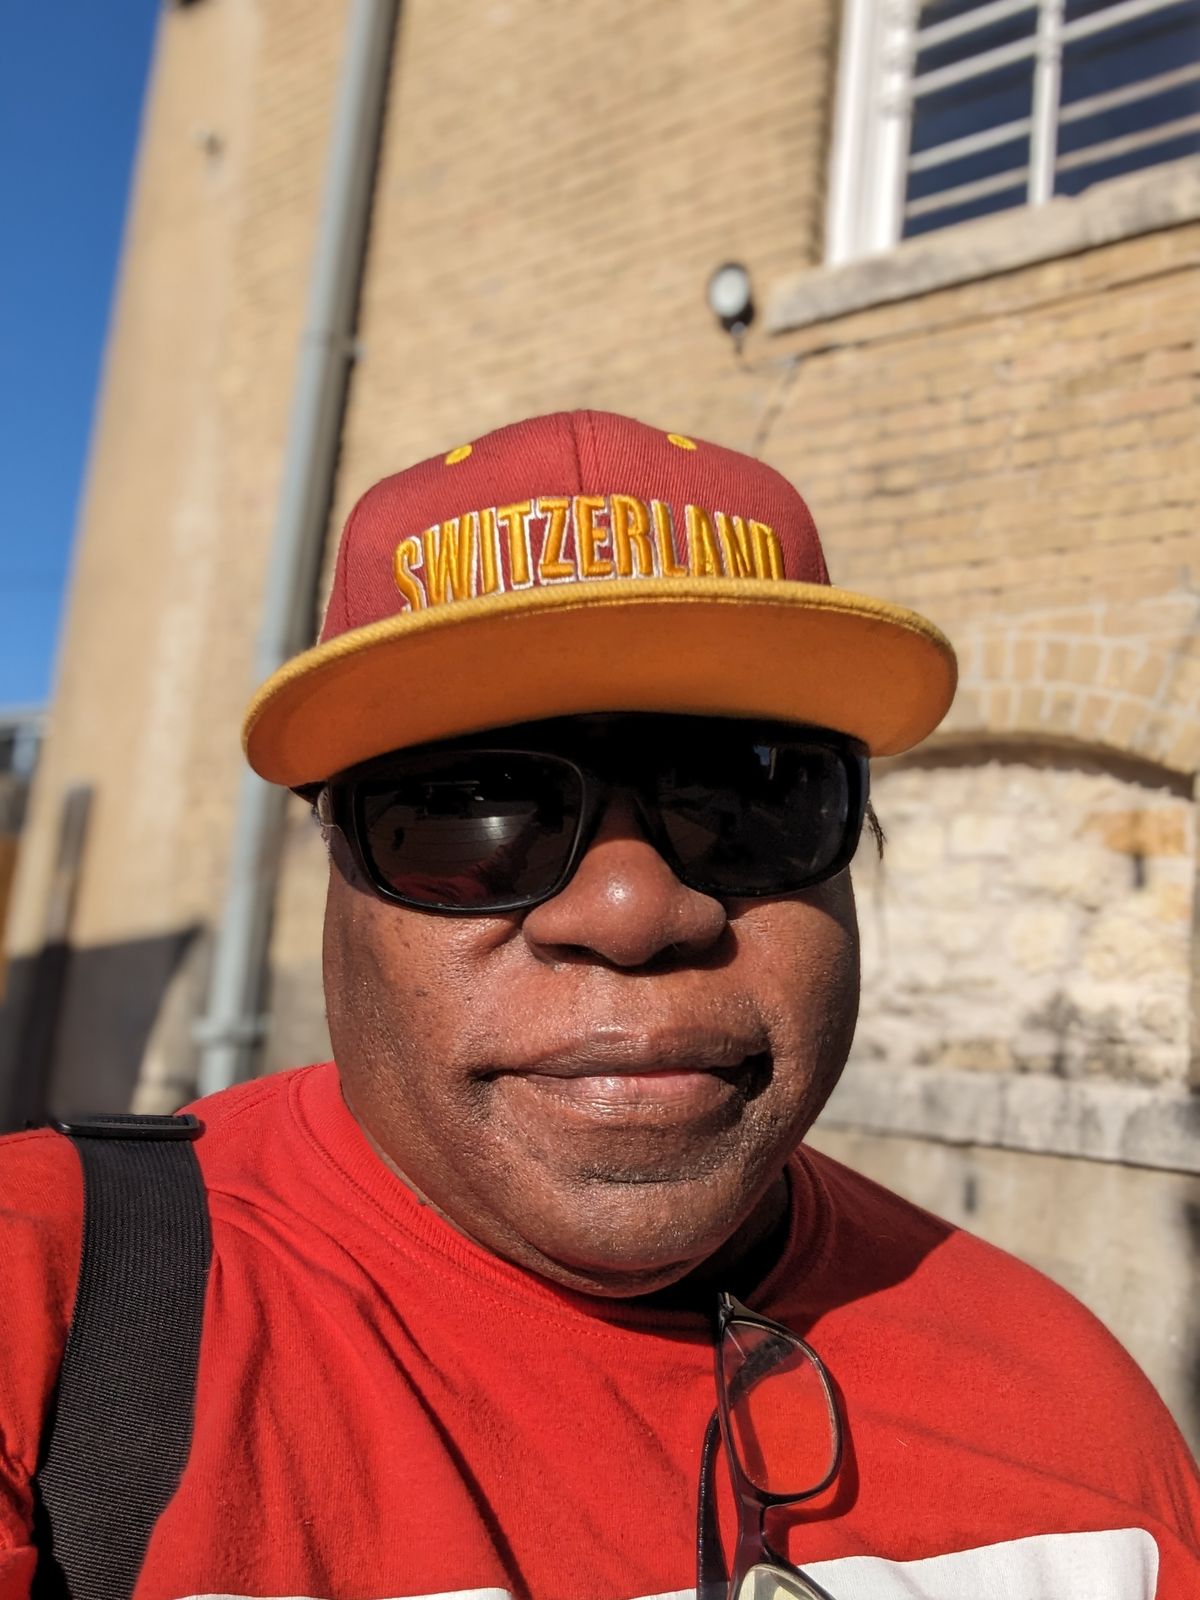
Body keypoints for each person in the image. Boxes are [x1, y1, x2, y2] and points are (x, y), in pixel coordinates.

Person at [2, 410, 1198, 1600]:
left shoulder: (1078, 1428)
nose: (631, 910)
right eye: (467, 812)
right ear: (335, 880)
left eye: (751, 795)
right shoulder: (39, 1305)